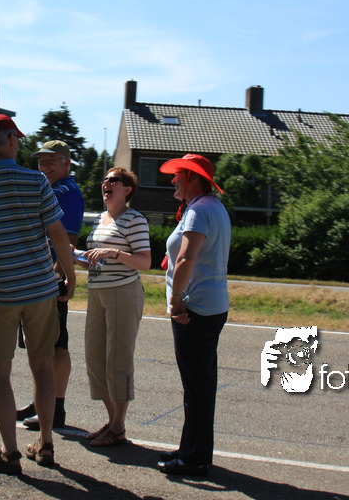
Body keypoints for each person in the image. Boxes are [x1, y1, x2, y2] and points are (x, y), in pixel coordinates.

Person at [0, 114, 76, 474]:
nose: (20, 145)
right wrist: (69, 277)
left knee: (0, 370)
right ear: (9, 141)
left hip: (1, 291)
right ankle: (46, 443)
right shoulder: (35, 181)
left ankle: (10, 452)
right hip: (40, 289)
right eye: (18, 140)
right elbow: (58, 234)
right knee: (43, 366)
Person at [156, 154, 230, 478]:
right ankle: (192, 449)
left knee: (197, 387)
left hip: (195, 307)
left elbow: (186, 258)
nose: (173, 180)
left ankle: (194, 458)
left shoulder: (199, 210)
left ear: (194, 179)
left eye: (179, 175)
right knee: (200, 385)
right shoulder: (211, 207)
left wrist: (176, 300)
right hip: (209, 304)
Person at [17, 140, 85, 431]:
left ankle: (55, 408)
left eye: (51, 161)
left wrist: (58, 277)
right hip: (34, 278)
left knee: (56, 346)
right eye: (40, 161)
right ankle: (40, 401)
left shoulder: (66, 193)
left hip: (48, 280)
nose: (43, 166)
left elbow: (67, 240)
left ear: (66, 163)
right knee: (38, 346)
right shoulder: (47, 189)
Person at [81, 167, 151, 447]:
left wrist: (114, 252)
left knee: (117, 360)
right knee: (95, 360)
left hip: (123, 293)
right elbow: (97, 259)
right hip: (96, 293)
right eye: (105, 180)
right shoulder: (100, 219)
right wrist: (78, 257)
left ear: (127, 189)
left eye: (113, 180)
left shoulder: (135, 220)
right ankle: (113, 422)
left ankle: (118, 426)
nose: (106, 184)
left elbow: (144, 261)